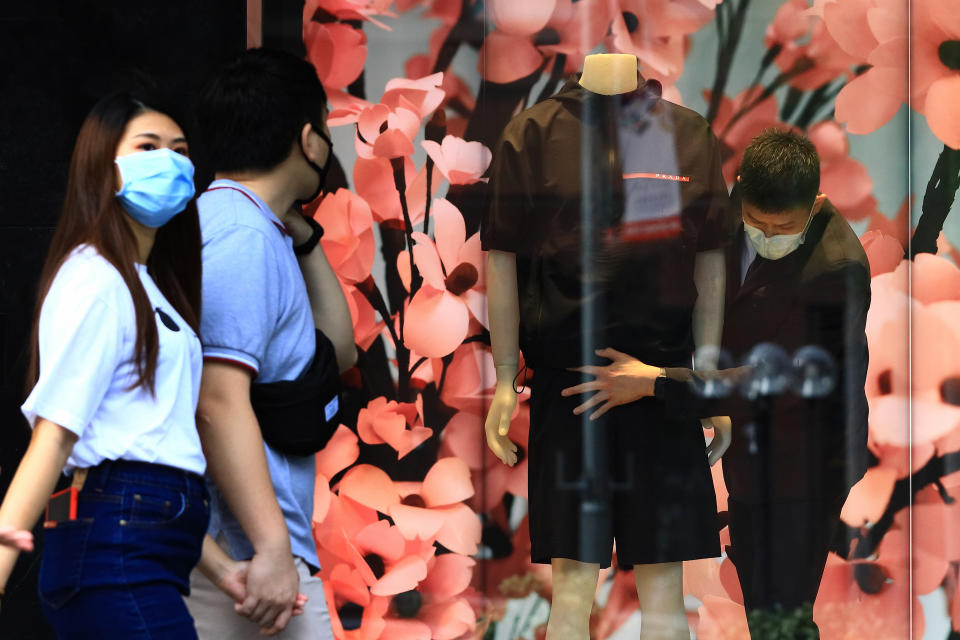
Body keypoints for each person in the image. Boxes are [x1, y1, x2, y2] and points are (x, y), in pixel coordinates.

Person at [564, 128, 871, 635]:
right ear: (740, 190)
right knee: (757, 595)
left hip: (811, 458)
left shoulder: (838, 269)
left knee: (784, 613)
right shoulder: (723, 215)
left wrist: (659, 382)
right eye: (757, 223)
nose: (768, 237)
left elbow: (780, 379)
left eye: (784, 227)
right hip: (748, 447)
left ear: (815, 203)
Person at [482, 53, 731, 639]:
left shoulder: (686, 133)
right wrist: (500, 378)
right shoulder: (534, 133)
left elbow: (712, 263)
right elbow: (501, 261)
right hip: (569, 390)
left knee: (663, 583)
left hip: (662, 388)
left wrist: (707, 379)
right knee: (572, 583)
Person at [0, 90, 253, 638]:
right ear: (104, 169)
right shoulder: (96, 279)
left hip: (140, 548)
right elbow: (55, 437)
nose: (170, 160)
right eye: (148, 146)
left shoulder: (146, 285)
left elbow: (152, 443)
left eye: (181, 149)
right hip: (116, 552)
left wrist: (225, 570)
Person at [184, 48, 355, 640]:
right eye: (328, 131)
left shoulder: (256, 229)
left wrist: (305, 239)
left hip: (257, 558)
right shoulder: (239, 235)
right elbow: (217, 398)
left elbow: (337, 354)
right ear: (309, 140)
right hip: (247, 565)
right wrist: (272, 548)